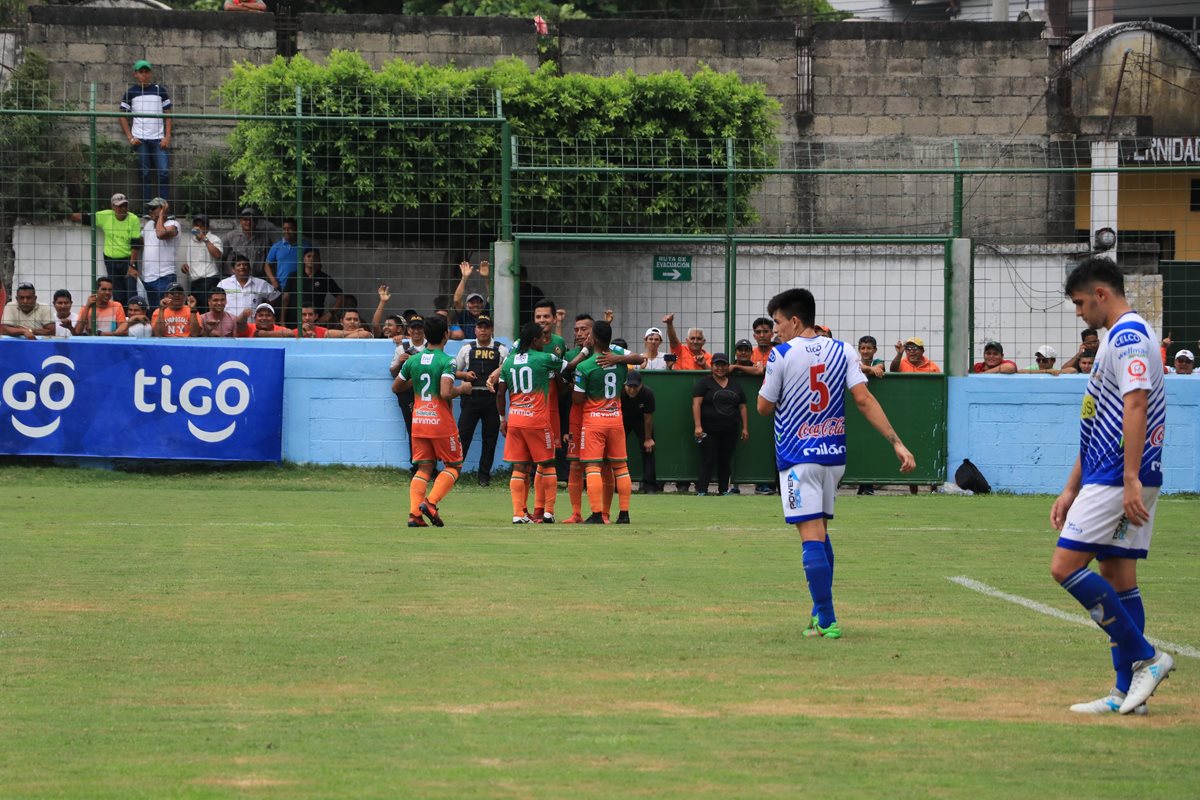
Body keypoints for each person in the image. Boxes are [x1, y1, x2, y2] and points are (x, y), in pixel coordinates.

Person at [1049, 256, 1174, 716]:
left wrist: (1129, 479)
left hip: (1118, 475)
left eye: (1081, 303)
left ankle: (1147, 657)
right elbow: (1101, 419)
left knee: (1064, 566)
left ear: (1102, 294)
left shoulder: (1127, 337)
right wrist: (1070, 487)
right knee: (1118, 576)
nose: (1080, 312)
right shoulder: (1115, 341)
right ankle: (1126, 695)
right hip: (1106, 472)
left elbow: (1135, 405)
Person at [758, 288, 915, 639]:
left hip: (798, 457)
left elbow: (764, 408)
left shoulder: (780, 354)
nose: (776, 330)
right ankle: (819, 612)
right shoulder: (843, 350)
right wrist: (897, 443)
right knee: (821, 533)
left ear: (795, 320)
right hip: (832, 458)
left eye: (778, 322)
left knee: (810, 537)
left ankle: (827, 619)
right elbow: (863, 399)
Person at [497, 321, 587, 523]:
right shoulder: (544, 358)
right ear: (534, 340)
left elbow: (500, 392)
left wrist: (502, 418)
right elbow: (571, 366)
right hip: (537, 420)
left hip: (516, 420)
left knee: (519, 467)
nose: (544, 341)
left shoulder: (509, 361)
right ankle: (548, 512)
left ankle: (518, 514)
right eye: (542, 338)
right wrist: (587, 349)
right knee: (547, 464)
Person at [394, 315, 473, 528]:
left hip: (419, 421)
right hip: (440, 423)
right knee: (454, 465)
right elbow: (446, 392)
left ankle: (414, 515)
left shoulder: (413, 360)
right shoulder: (447, 360)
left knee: (424, 468)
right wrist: (463, 389)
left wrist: (416, 382)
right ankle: (430, 503)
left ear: (426, 335)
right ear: (446, 335)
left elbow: (396, 387)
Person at [573, 320, 635, 524]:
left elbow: (578, 400)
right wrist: (619, 358)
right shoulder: (620, 362)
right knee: (621, 467)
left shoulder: (585, 366)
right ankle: (624, 514)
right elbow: (640, 359)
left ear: (594, 339)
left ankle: (597, 514)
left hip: (594, 422)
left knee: (592, 467)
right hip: (616, 420)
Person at [455, 315, 508, 488]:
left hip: (491, 400)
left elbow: (507, 371)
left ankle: (484, 476)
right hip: (471, 398)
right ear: (475, 329)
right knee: (463, 437)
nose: (483, 330)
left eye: (486, 327)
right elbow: (453, 370)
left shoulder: (501, 349)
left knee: (490, 439)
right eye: (480, 326)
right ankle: (454, 473)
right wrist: (465, 375)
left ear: (491, 329)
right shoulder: (466, 349)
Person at [71, 194, 142, 308]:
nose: (123, 209)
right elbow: (84, 217)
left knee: (131, 292)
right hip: (111, 260)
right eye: (119, 206)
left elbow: (135, 243)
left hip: (128, 260)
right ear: (113, 207)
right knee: (118, 294)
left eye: (125, 205)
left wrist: (132, 265)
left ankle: (132, 319)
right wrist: (62, 213)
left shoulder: (133, 219)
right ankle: (122, 319)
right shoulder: (105, 216)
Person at [692, 353, 749, 496]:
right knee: (708, 459)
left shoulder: (735, 384)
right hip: (708, 430)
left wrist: (745, 427)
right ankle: (702, 490)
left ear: (728, 367)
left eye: (723, 365)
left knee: (725, 460)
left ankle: (723, 489)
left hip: (730, 429)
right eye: (717, 365)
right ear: (711, 366)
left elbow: (742, 406)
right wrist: (698, 426)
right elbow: (696, 404)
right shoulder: (704, 383)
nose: (720, 368)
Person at [119, 60, 172, 206]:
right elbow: (122, 115)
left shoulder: (159, 90)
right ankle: (148, 209)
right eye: (141, 72)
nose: (144, 74)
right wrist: (130, 137)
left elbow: (168, 114)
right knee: (145, 174)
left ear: (150, 73)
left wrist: (167, 136)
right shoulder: (131, 93)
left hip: (158, 139)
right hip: (140, 140)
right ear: (135, 74)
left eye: (146, 71)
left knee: (164, 173)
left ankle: (163, 208)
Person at [620, 370, 659, 493]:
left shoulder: (647, 394)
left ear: (641, 385)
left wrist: (648, 439)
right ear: (625, 384)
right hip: (621, 420)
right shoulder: (619, 393)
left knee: (648, 449)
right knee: (616, 452)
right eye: (629, 386)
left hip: (641, 421)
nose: (632, 390)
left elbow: (648, 418)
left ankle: (650, 486)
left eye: (635, 387)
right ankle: (617, 485)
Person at [140, 198, 180, 309]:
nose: (150, 211)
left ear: (164, 209)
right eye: (149, 209)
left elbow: (160, 234)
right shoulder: (148, 225)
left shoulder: (173, 224)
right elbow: (138, 242)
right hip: (147, 278)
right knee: (154, 314)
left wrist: (162, 214)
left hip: (164, 277)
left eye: (153, 208)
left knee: (166, 312)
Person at [179, 214, 222, 314]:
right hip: (194, 282)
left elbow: (217, 255)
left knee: (207, 313)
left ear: (207, 227)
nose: (198, 228)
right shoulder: (191, 241)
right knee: (194, 312)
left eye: (201, 225)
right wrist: (185, 267)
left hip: (209, 280)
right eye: (196, 225)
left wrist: (204, 238)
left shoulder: (214, 238)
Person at [217, 253, 280, 323]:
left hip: (252, 325)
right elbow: (216, 303)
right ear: (233, 269)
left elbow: (275, 296)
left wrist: (265, 309)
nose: (242, 267)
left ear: (249, 268)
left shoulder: (260, 283)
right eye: (238, 265)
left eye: (245, 265)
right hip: (229, 325)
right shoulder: (224, 284)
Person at [265, 219, 304, 323]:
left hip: (299, 288)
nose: (287, 231)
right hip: (280, 288)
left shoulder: (305, 246)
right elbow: (267, 265)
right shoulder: (277, 246)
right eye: (285, 229)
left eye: (290, 229)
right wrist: (273, 281)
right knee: (279, 317)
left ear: (297, 230)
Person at [221, 207, 275, 277]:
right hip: (233, 279)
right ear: (240, 221)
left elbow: (268, 262)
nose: (248, 222)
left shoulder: (264, 239)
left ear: (256, 222)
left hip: (256, 278)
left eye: (251, 220)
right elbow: (221, 258)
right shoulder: (230, 236)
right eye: (245, 219)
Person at [452, 259, 491, 339]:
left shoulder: (486, 313)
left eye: (478, 302)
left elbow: (493, 297)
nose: (476, 305)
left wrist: (486, 278)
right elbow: (456, 301)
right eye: (472, 302)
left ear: (483, 304)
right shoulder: (465, 315)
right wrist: (464, 278)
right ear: (467, 305)